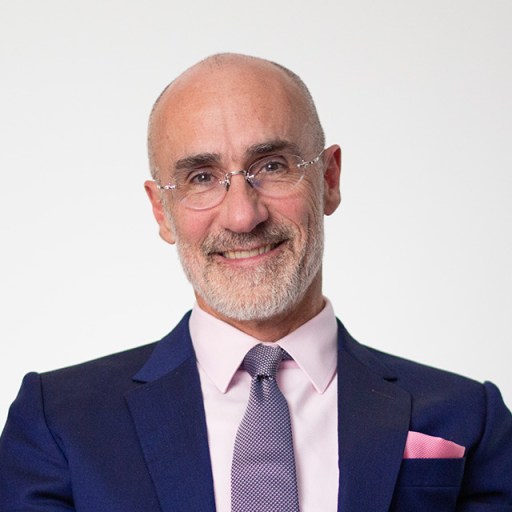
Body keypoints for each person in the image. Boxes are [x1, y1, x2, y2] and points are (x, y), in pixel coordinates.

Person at [0, 53, 511, 512]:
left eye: (271, 166)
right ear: (161, 211)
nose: (243, 216)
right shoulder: (59, 423)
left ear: (329, 179)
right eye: (201, 177)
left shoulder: (469, 418)